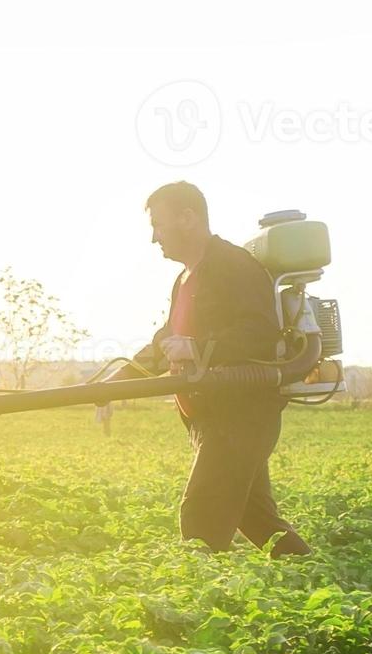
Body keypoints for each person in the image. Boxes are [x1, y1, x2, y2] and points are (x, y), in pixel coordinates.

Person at [113, 181, 312, 559]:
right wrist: (114, 382)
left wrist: (200, 348)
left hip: (240, 419)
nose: (155, 238)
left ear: (188, 218)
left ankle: (193, 611)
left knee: (201, 516)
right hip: (209, 422)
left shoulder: (233, 266)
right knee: (259, 520)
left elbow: (260, 333)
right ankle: (313, 575)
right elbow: (166, 340)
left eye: (159, 225)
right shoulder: (185, 278)